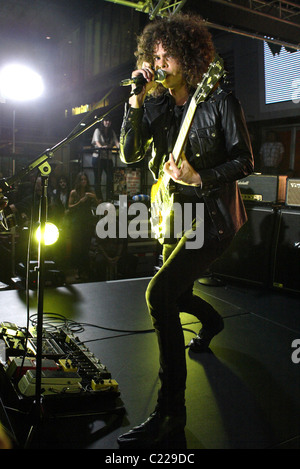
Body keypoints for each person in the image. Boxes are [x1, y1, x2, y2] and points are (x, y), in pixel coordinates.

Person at [117, 13, 254, 449]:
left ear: (190, 58)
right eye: (153, 55)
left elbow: (245, 161)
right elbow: (129, 154)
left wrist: (201, 178)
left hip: (212, 217)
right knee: (175, 290)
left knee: (159, 294)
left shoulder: (219, 99)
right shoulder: (154, 101)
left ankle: (171, 412)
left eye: (167, 55)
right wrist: (136, 103)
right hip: (173, 216)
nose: (159, 63)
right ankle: (211, 321)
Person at [68, 172, 100, 279]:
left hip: (87, 221)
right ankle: (77, 270)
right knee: (77, 247)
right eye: (81, 180)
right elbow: (70, 207)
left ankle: (84, 271)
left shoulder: (90, 192)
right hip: (77, 222)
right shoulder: (74, 193)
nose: (83, 182)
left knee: (85, 247)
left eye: (85, 180)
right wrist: (80, 202)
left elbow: (98, 205)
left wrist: (93, 197)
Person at [91, 117, 120, 200]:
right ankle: (99, 198)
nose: (108, 122)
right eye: (106, 121)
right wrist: (102, 147)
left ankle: (109, 197)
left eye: (109, 121)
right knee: (98, 179)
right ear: (103, 122)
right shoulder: (98, 130)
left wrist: (120, 148)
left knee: (111, 178)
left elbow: (116, 141)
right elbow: (97, 141)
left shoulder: (112, 132)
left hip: (107, 157)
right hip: (98, 157)